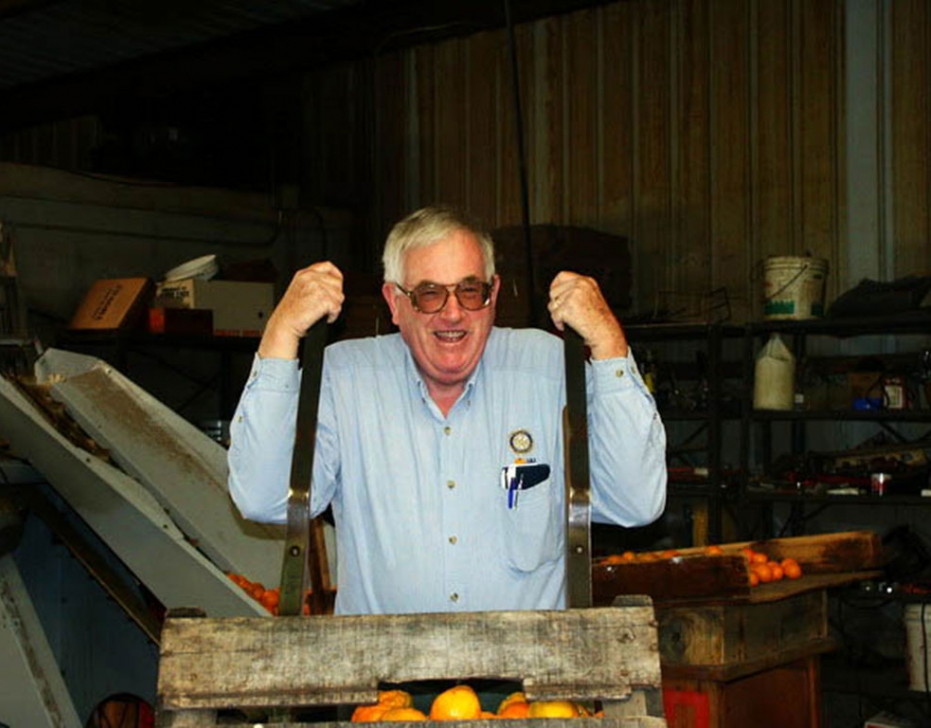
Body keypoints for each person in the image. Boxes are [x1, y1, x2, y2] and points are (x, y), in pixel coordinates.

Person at [228, 205, 666, 615]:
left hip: (528, 685)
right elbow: (266, 500)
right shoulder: (345, 379)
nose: (453, 313)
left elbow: (635, 502)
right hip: (385, 686)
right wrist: (281, 334)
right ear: (394, 302)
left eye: (470, 290)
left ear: (493, 294)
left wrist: (608, 343)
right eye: (429, 294)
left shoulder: (550, 370)